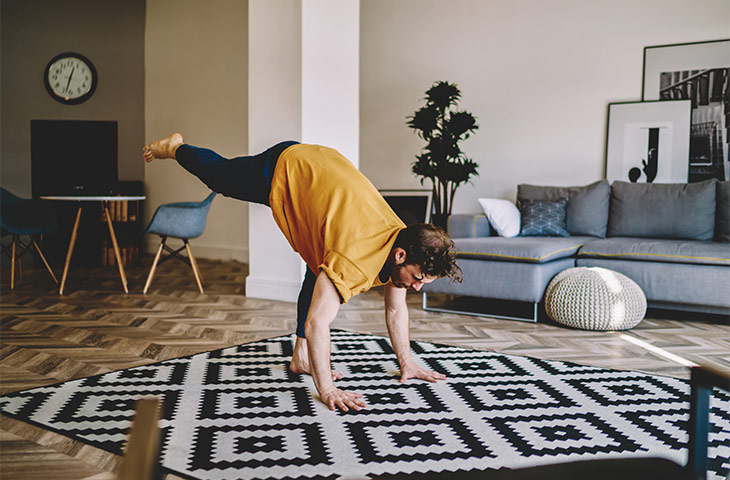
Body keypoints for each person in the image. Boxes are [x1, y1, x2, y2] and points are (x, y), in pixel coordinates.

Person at [143, 133, 462, 412]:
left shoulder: (401, 240)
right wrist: (327, 390)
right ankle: (176, 147)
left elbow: (395, 309)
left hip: (326, 173)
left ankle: (300, 358)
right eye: (419, 279)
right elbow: (317, 322)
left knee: (320, 270)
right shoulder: (353, 259)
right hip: (290, 165)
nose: (417, 288)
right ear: (400, 255)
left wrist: (407, 363)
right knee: (221, 176)